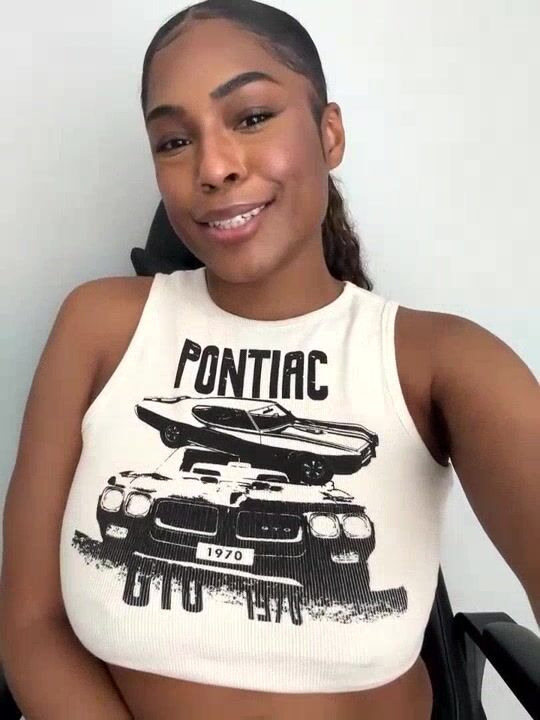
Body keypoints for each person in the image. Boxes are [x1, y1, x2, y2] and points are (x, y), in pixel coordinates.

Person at [0, 1, 538, 719]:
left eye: (251, 117)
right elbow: (30, 624)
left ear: (329, 133)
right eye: (173, 140)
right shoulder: (100, 325)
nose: (214, 167)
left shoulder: (441, 362)